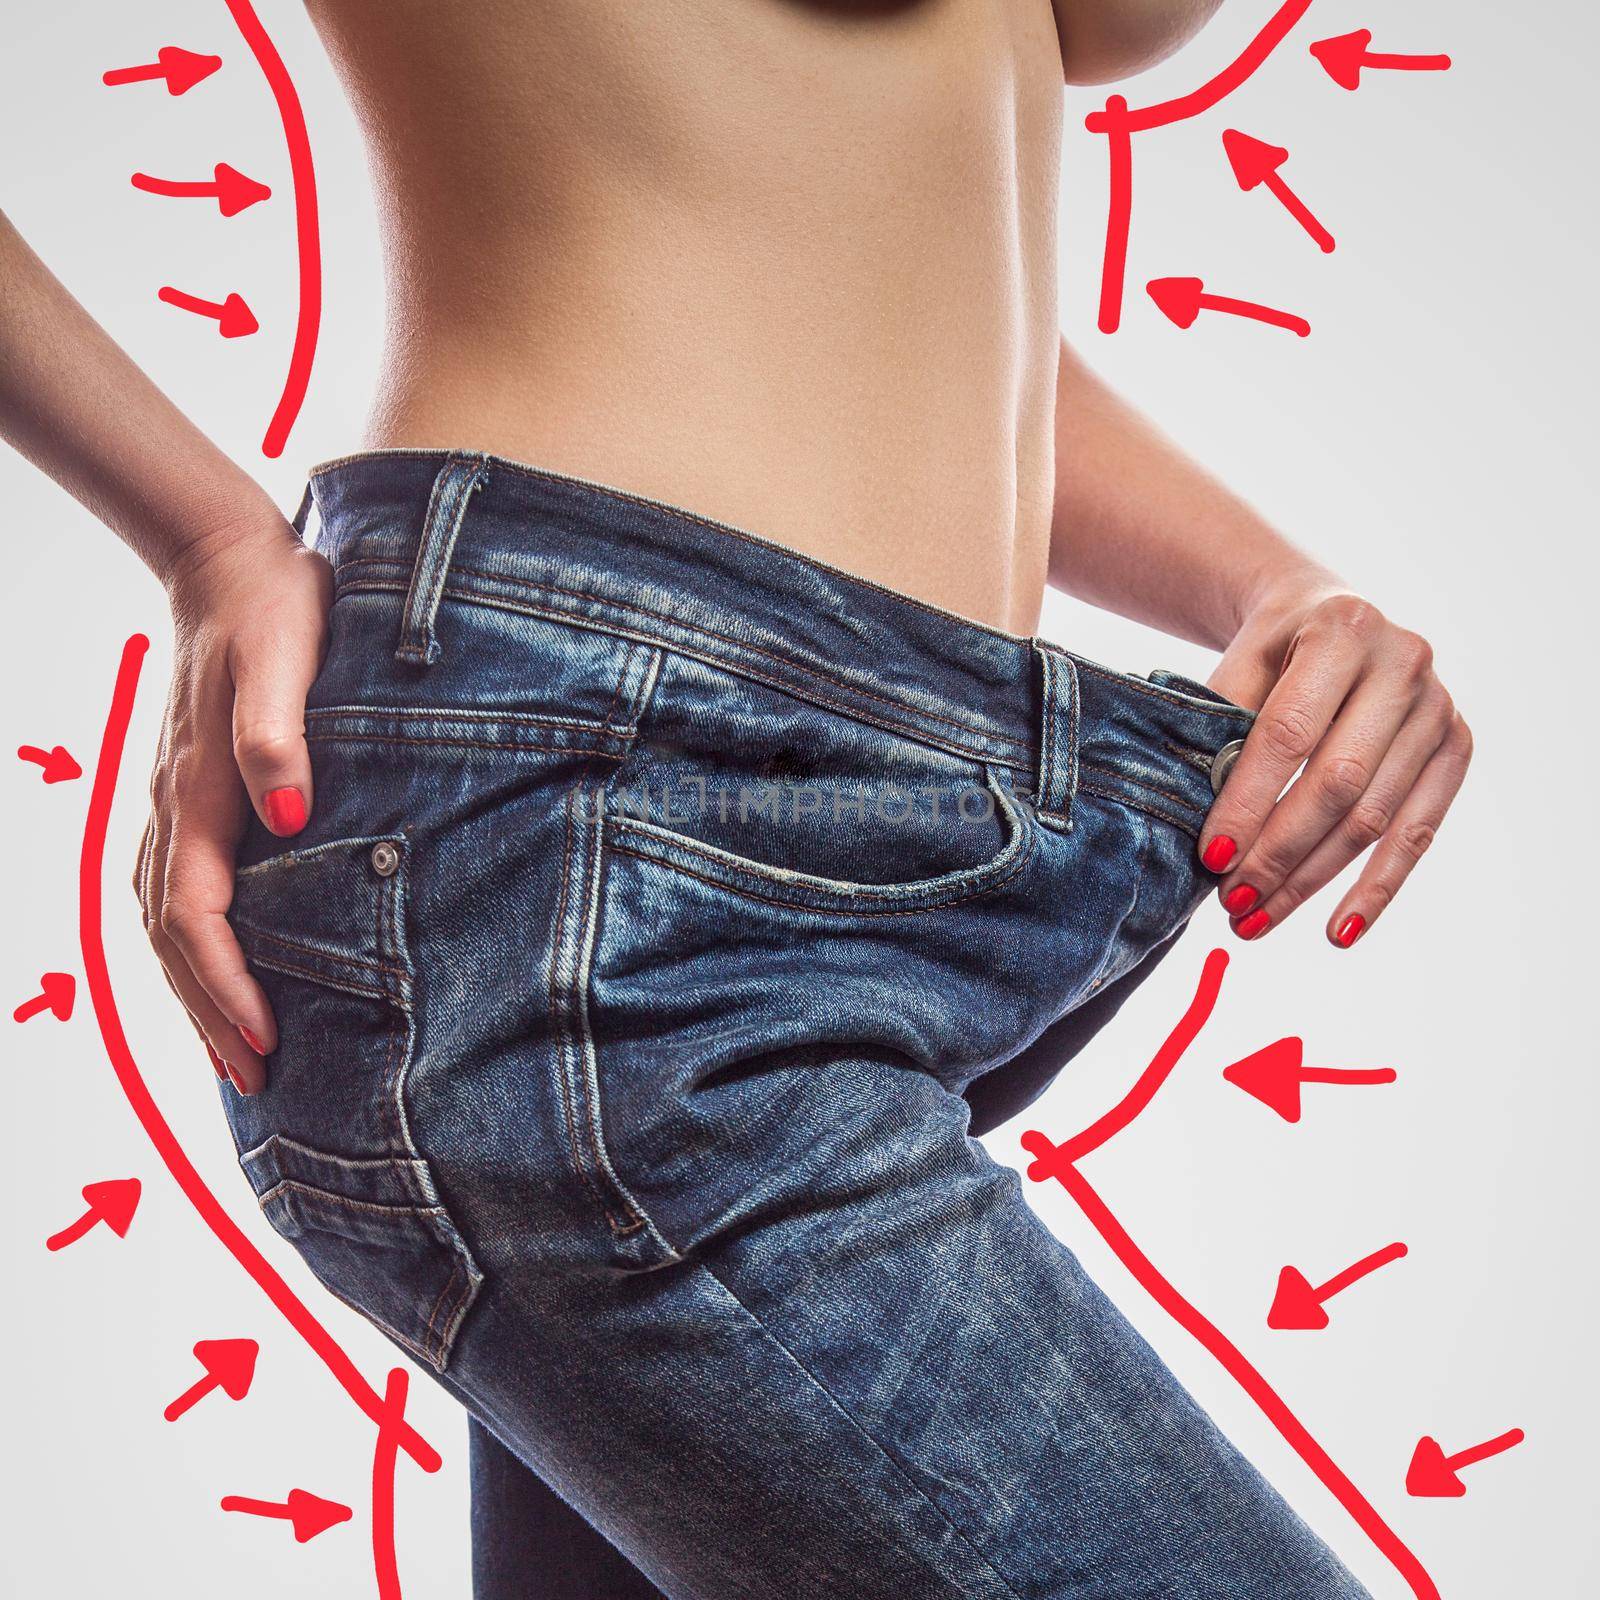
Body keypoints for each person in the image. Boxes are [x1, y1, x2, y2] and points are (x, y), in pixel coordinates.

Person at [0, 3, 1471, 1595]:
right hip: (592, 853)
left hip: (865, 860)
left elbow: (887, 257)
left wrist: (1279, 586)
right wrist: (203, 540)